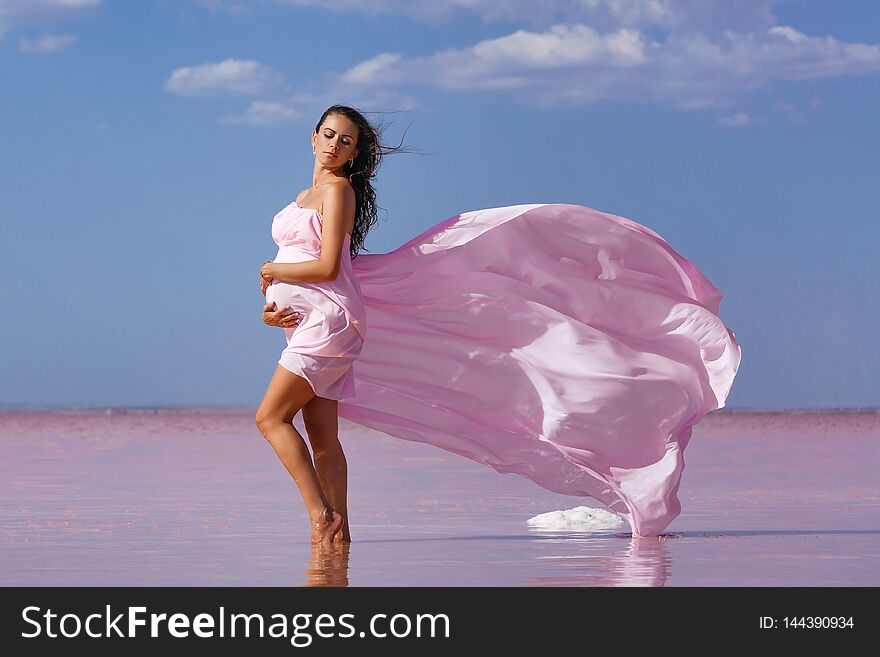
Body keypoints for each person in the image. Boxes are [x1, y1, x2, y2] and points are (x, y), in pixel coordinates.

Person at [257, 105, 742, 544]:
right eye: (328, 134)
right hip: (310, 322)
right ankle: (338, 535)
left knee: (271, 418)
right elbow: (322, 267)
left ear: (356, 151)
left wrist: (271, 271)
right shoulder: (308, 193)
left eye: (346, 139)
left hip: (330, 323)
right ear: (313, 136)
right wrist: (276, 307)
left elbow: (324, 269)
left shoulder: (338, 192)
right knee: (322, 437)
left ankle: (320, 517)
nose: (334, 144)